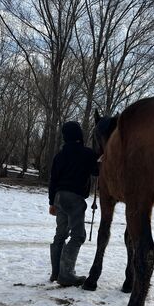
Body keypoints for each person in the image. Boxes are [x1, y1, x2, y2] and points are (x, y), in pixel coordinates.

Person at [48, 121, 99, 287]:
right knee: (78, 235)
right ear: (79, 135)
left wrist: (51, 202)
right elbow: (96, 171)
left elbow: (53, 180)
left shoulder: (60, 155)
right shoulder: (87, 154)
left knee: (60, 234)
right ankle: (67, 275)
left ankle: (56, 273)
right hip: (75, 198)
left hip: (59, 197)